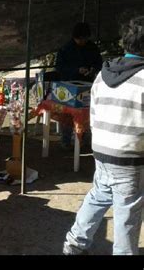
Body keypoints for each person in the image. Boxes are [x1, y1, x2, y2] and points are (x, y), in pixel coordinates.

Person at [63, 16, 144, 255]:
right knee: (128, 211)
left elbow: (93, 114)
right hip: (129, 158)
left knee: (98, 195)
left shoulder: (102, 74)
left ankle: (74, 244)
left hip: (102, 151)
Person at [55, 22, 103, 149]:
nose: (82, 41)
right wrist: (76, 70)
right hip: (69, 86)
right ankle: (66, 140)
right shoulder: (66, 49)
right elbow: (59, 68)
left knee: (87, 113)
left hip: (88, 85)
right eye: (80, 39)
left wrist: (93, 69)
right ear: (75, 37)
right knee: (68, 114)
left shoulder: (92, 47)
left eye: (85, 39)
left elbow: (99, 63)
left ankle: (86, 140)